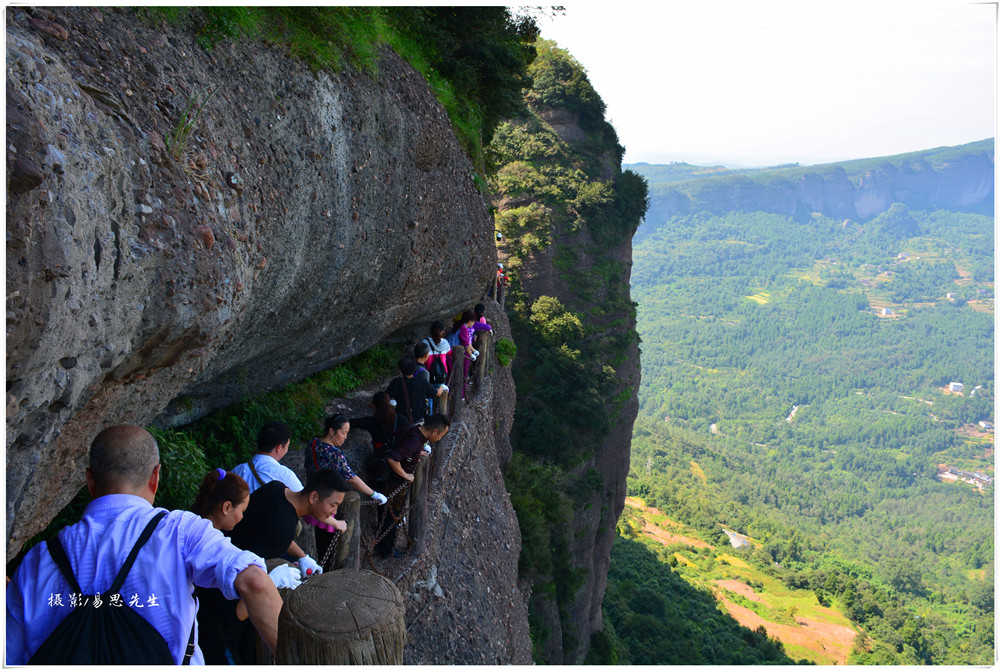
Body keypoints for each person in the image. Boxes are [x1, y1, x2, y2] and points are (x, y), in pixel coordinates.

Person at [5, 425, 282, 664]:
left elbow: (11, 653)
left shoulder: (39, 559)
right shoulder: (180, 531)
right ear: (155, 477)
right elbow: (254, 582)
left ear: (90, 481)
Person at [223, 469, 351, 663]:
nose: (334, 513)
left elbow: (270, 533)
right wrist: (271, 582)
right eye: (333, 505)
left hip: (224, 556)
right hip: (223, 610)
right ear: (314, 496)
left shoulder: (276, 489)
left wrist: (303, 556)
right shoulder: (283, 529)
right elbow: (240, 609)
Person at [190, 469, 299, 665]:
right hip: (212, 641)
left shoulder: (190, 527)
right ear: (226, 507)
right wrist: (270, 581)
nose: (242, 517)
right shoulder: (217, 551)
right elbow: (235, 613)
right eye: (242, 510)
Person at [303, 415, 388, 560]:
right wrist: (374, 494)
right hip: (329, 502)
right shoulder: (335, 455)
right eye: (343, 432)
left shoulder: (313, 444)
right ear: (331, 431)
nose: (345, 437)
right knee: (333, 547)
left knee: (321, 543)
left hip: (313, 498)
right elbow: (352, 478)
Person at [373, 414, 451, 559]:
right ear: (434, 431)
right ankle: (386, 550)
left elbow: (403, 446)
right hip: (393, 484)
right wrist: (406, 475)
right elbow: (394, 458)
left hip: (386, 481)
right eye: (441, 435)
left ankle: (381, 544)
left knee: (386, 516)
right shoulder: (415, 443)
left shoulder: (414, 429)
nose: (440, 438)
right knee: (391, 518)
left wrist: (416, 454)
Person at [233, 421, 303, 494]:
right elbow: (302, 501)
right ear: (279, 447)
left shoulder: (238, 471)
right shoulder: (285, 475)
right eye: (287, 446)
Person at [386, 355, 440, 424]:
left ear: (401, 369)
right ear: (414, 368)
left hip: (402, 422)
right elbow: (436, 393)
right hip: (419, 422)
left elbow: (385, 397)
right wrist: (442, 387)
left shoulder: (396, 383)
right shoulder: (422, 382)